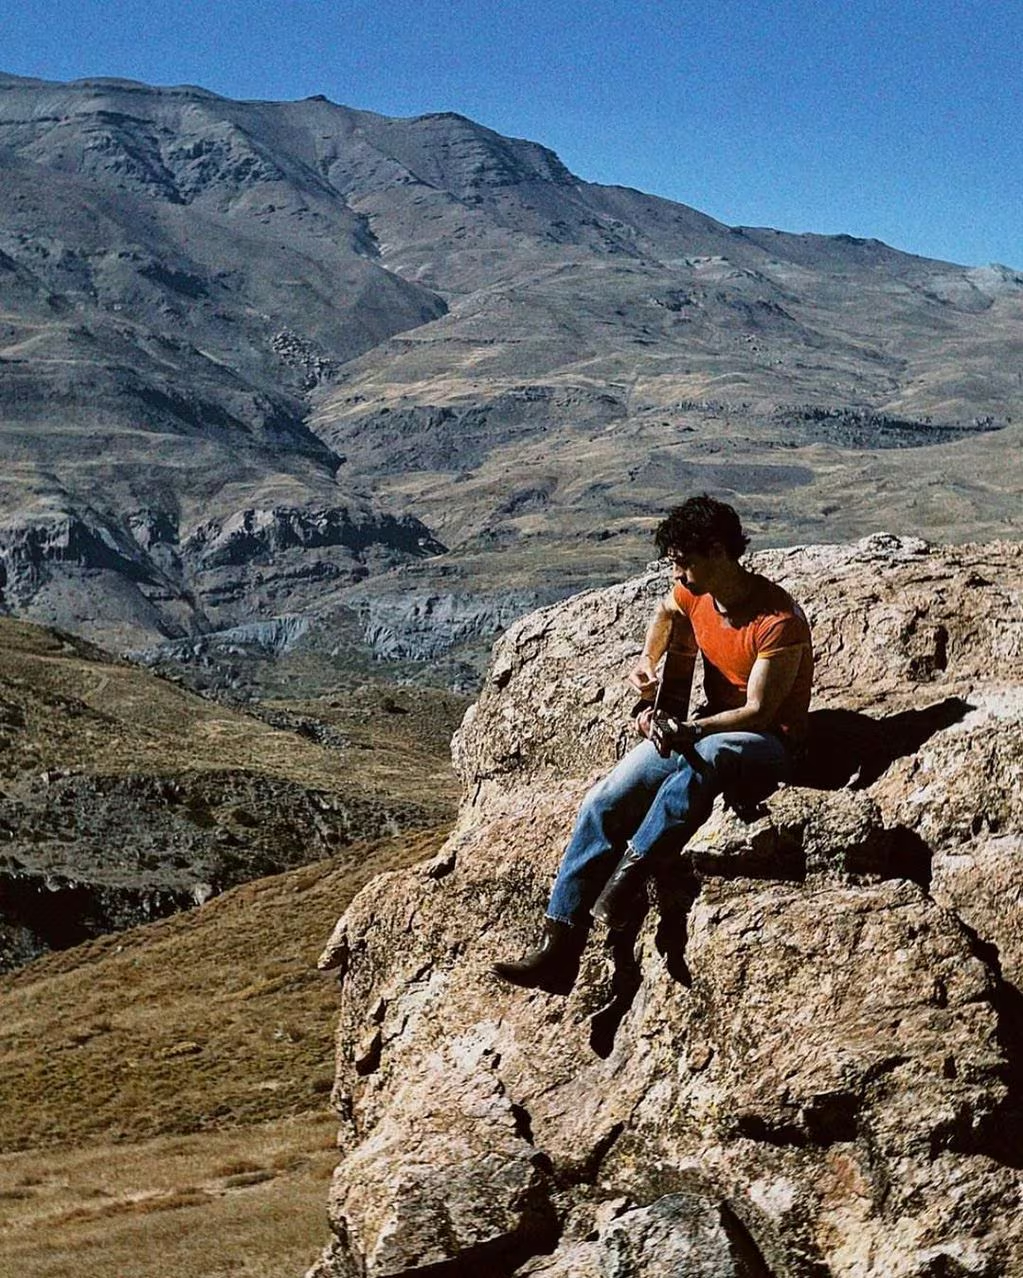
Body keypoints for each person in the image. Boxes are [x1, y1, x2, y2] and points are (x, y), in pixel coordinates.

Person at [493, 495, 813, 992]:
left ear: (719, 553)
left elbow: (759, 713)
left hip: (768, 744)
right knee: (604, 800)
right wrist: (649, 659)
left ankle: (629, 878)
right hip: (707, 730)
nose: (678, 573)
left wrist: (689, 731)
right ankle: (560, 947)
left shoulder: (777, 622)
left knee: (708, 754)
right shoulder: (695, 594)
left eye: (685, 561)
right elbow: (666, 613)